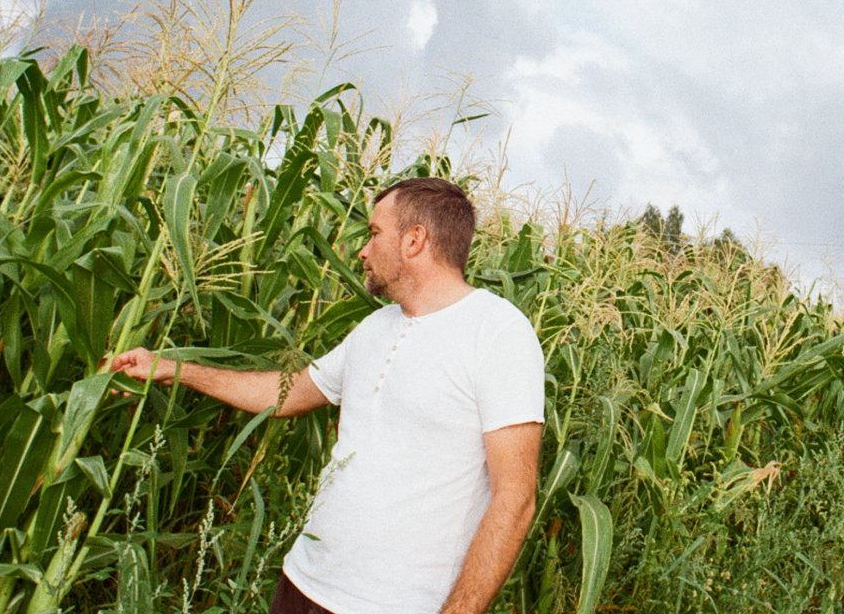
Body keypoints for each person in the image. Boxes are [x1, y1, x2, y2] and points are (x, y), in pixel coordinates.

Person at [108, 177, 546, 614]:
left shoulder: (497, 332)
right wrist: (174, 368)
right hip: (304, 581)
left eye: (375, 233)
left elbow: (516, 497)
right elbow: (285, 395)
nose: (362, 250)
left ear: (415, 240)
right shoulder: (375, 327)